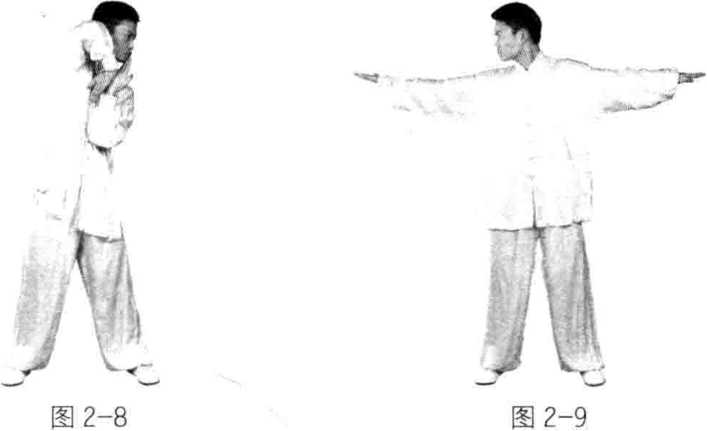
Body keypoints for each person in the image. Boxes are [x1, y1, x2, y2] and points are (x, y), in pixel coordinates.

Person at [355, 2, 703, 386]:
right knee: (505, 282)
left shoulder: (570, 76)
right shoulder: (489, 84)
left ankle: (584, 358)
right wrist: (386, 84)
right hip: (509, 199)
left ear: (521, 35)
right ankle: (497, 358)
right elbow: (441, 94)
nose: (495, 42)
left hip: (561, 196)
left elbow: (621, 84)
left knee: (570, 282)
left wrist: (673, 79)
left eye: (500, 34)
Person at [1, 1, 158, 387]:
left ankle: (130, 354)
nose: (132, 45)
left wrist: (110, 89)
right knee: (43, 275)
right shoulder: (69, 61)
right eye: (128, 36)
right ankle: (23, 357)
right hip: (56, 189)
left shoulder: (125, 90)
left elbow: (103, 135)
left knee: (112, 278)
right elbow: (88, 34)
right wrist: (103, 67)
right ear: (107, 32)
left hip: (97, 195)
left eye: (135, 39)